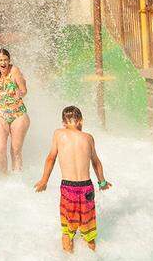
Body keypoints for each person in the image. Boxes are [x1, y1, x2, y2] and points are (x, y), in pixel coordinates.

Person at [34, 106, 110, 253]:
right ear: (81, 120)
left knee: (67, 231)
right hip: (87, 187)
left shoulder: (58, 134)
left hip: (69, 188)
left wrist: (44, 181)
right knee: (89, 232)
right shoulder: (88, 137)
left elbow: (51, 158)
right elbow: (96, 162)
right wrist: (102, 182)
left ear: (63, 122)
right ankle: (92, 259)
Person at [0, 48, 30, 173]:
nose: (3, 63)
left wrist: (19, 94)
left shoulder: (14, 71)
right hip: (0, 114)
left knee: (15, 149)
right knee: (0, 149)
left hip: (17, 113)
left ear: (9, 61)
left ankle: (17, 179)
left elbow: (24, 90)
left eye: (6, 60)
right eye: (1, 60)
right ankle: (5, 177)